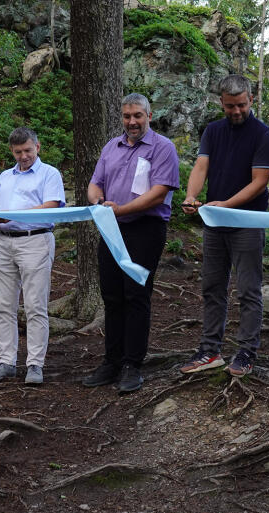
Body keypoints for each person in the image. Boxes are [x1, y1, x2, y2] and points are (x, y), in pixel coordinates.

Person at [81, 93, 180, 394]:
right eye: (127, 116)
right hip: (112, 229)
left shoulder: (163, 148)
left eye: (137, 115)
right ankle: (111, 362)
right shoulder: (112, 146)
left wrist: (121, 210)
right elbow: (95, 183)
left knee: (136, 295)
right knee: (111, 296)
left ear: (149, 116)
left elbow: (159, 192)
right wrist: (98, 202)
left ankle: (132, 365)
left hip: (145, 230)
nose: (132, 122)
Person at [179, 74, 269, 377]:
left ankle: (247, 351)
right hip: (215, 222)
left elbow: (260, 182)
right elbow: (201, 166)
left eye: (242, 105)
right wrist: (192, 195)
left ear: (251, 99)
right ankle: (210, 350)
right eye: (230, 106)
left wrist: (227, 205)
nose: (236, 111)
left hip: (247, 222)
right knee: (212, 287)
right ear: (221, 102)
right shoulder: (213, 131)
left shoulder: (263, 135)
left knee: (248, 289)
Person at [0, 127, 65, 385]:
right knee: (4, 306)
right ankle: (7, 362)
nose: (23, 156)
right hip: (3, 242)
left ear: (37, 147)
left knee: (35, 305)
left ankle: (35, 365)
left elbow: (51, 206)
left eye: (28, 150)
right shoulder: (6, 176)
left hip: (35, 240)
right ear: (12, 151)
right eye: (18, 152)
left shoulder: (50, 174)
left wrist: (14, 215)